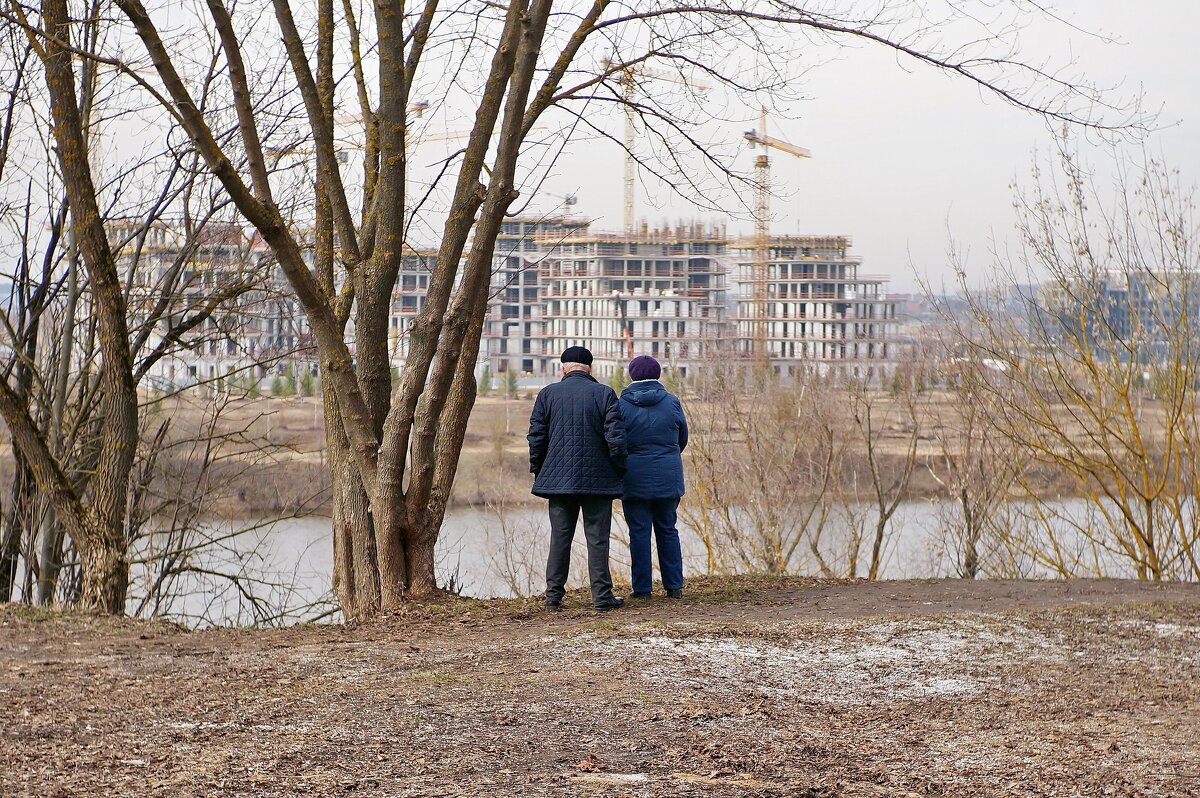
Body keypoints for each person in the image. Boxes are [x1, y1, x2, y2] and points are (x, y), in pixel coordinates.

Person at [527, 346, 627, 612]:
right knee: (598, 539)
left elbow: (536, 438)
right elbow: (616, 440)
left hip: (558, 481)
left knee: (560, 538)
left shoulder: (547, 394)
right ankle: (602, 597)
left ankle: (553, 598)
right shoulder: (605, 394)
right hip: (599, 480)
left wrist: (540, 471)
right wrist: (618, 470)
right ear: (590, 369)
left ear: (563, 368)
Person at [618, 355, 688, 600]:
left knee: (639, 532)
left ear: (632, 376)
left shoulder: (621, 405)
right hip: (668, 476)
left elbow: (617, 442)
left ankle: (642, 589)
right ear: (658, 375)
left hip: (634, 478)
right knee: (668, 529)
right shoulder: (672, 402)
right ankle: (674, 586)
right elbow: (683, 439)